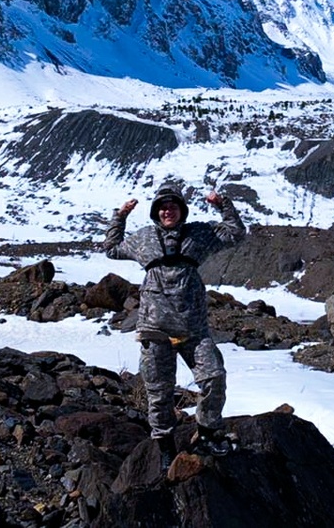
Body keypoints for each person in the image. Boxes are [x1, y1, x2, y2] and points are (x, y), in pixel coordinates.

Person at [103, 184, 246, 466]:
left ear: (182, 210)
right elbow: (110, 248)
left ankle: (207, 432)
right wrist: (120, 217)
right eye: (162, 207)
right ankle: (165, 447)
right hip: (154, 330)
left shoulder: (199, 234)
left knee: (214, 376)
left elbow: (236, 233)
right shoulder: (143, 238)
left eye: (173, 206)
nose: (168, 210)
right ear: (156, 212)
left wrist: (222, 204)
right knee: (159, 392)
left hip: (193, 329)